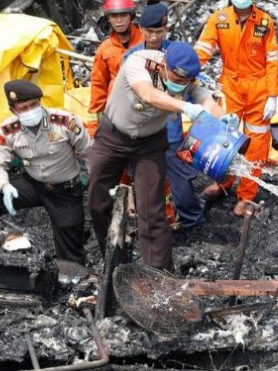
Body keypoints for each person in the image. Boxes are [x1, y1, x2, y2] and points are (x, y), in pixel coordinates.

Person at [88, 42, 231, 272]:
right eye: (176, 78)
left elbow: (207, 102)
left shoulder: (190, 80)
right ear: (164, 64)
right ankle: (114, 260)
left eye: (185, 82)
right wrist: (186, 107)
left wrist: (224, 119)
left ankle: (157, 275)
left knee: (151, 209)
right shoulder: (139, 63)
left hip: (150, 143)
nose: (180, 84)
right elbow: (148, 94)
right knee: (98, 199)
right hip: (113, 137)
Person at [0, 80, 90, 264]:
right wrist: (5, 186)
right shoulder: (8, 131)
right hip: (33, 183)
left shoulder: (64, 122)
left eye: (34, 105)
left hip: (64, 189)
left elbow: (89, 152)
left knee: (71, 254)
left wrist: (85, 180)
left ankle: (73, 279)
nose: (30, 111)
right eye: (24, 108)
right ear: (13, 111)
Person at [194, 0, 278, 216]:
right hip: (230, 85)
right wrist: (183, 73)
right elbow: (203, 50)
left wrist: (273, 94)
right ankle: (224, 183)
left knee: (257, 143)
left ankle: (247, 196)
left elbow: (272, 59)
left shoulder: (265, 21)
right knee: (225, 138)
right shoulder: (218, 19)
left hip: (258, 87)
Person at [122, 3, 206, 230]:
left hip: (171, 131)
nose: (154, 36)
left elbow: (194, 85)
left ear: (166, 30)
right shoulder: (132, 57)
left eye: (159, 32)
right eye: (149, 31)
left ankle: (192, 222)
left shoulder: (176, 54)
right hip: (142, 131)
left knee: (182, 179)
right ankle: (150, 226)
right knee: (145, 182)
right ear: (141, 29)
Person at [88, 0, 143, 115]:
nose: (119, 21)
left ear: (131, 16)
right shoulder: (104, 49)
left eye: (123, 15)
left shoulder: (147, 42)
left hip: (146, 106)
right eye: (114, 16)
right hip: (118, 109)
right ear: (108, 18)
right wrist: (95, 127)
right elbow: (98, 86)